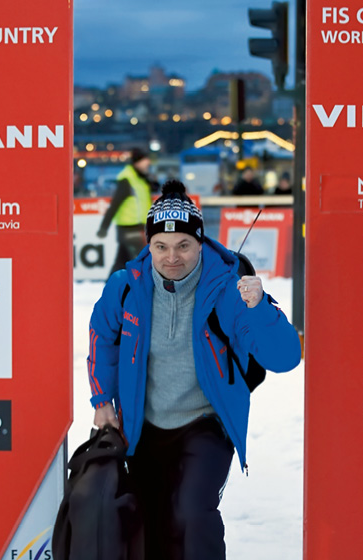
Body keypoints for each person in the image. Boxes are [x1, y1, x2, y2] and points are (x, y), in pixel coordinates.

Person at [86, 180, 301, 559]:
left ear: (200, 243)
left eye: (184, 245)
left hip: (205, 423)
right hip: (142, 427)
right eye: (161, 247)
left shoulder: (230, 290)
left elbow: (285, 358)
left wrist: (260, 308)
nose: (173, 257)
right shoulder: (125, 287)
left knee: (191, 515)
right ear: (148, 245)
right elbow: (103, 337)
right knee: (148, 523)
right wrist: (103, 399)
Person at [97, 148, 157, 276]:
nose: (148, 163)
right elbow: (115, 204)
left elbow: (153, 190)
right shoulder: (127, 180)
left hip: (138, 227)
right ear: (137, 162)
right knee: (144, 261)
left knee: (121, 262)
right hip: (129, 228)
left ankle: (110, 289)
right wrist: (104, 227)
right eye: (145, 160)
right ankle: (144, 291)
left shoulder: (140, 179)